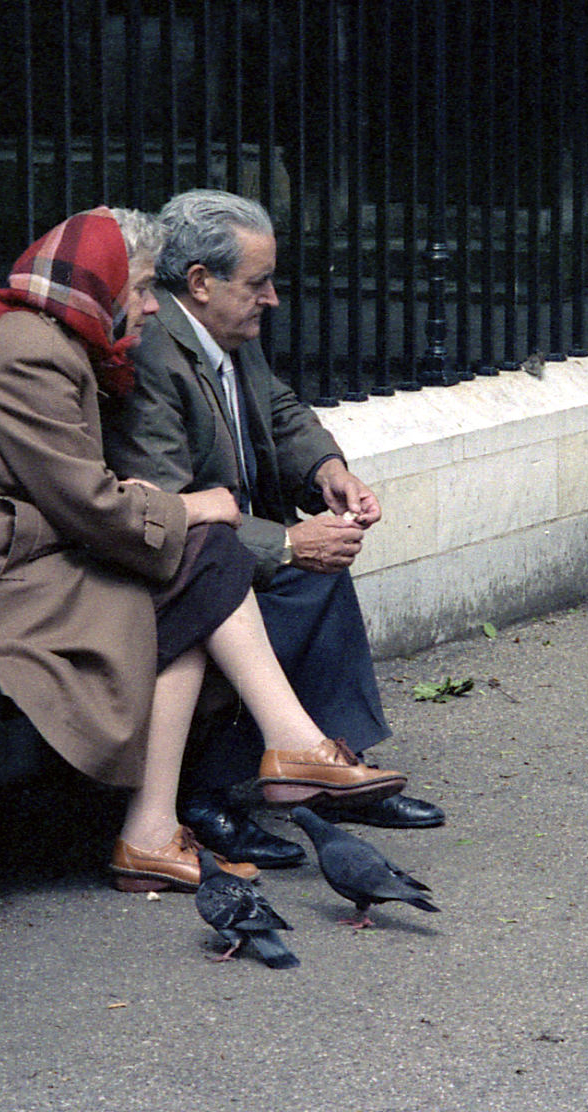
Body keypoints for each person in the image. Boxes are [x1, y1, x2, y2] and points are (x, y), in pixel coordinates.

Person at [0, 206, 403, 894]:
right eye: (145, 286)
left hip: (8, 567)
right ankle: (275, 758)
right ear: (103, 285)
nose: (153, 304)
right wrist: (198, 505)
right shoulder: (27, 352)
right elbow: (90, 504)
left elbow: (90, 497)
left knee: (196, 572)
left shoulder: (53, 342)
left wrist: (290, 485)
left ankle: (162, 826)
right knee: (202, 553)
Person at [104, 189, 443, 871]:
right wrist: (286, 542)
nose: (274, 299)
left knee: (321, 566)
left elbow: (282, 412)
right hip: (175, 564)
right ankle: (206, 799)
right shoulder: (154, 353)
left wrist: (328, 471)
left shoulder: (228, 332)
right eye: (258, 282)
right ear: (199, 282)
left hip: (223, 541)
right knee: (286, 573)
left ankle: (329, 765)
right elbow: (168, 509)